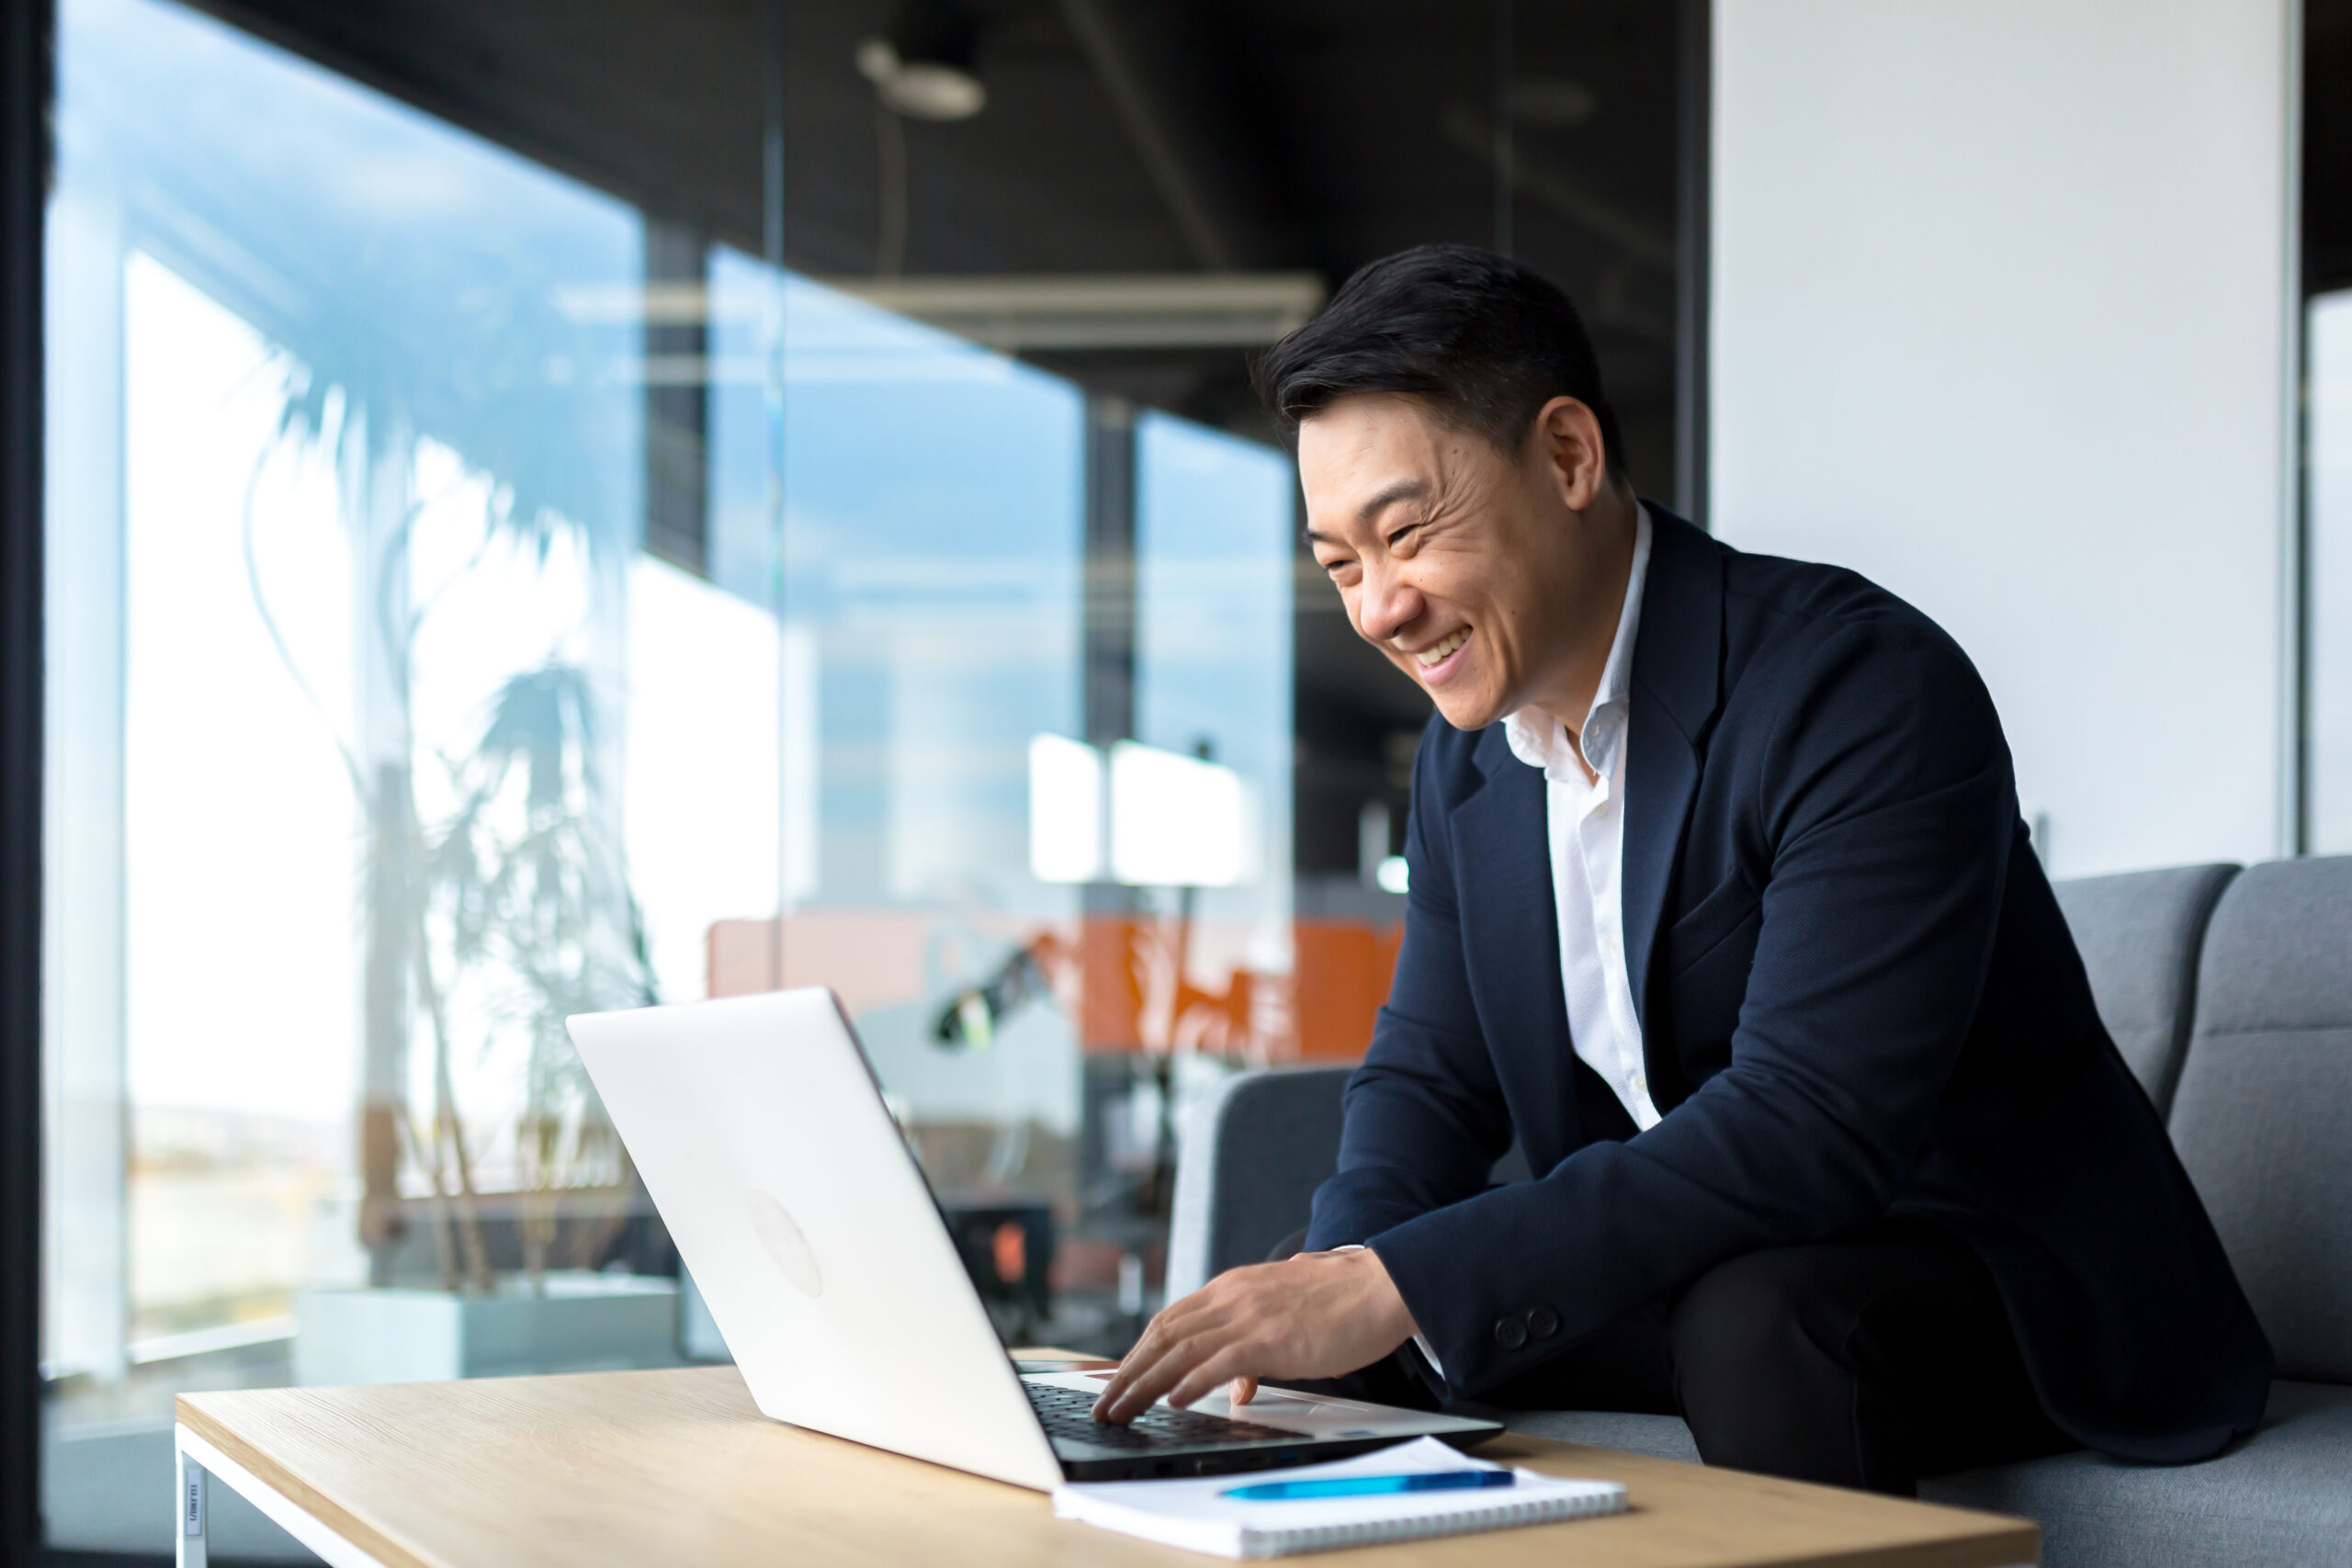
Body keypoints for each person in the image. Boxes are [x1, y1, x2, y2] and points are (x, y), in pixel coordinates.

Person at [1091, 243, 2272, 1495]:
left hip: (1983, 1268)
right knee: (1309, 1320)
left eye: (1406, 533)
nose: (1379, 606)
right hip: (1709, 1258)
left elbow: (1811, 1127)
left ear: (1567, 458)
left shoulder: (1858, 688)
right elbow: (1432, 1079)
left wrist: (1399, 1282)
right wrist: (1336, 1279)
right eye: (1342, 565)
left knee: (1753, 1321)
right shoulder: (1467, 762)